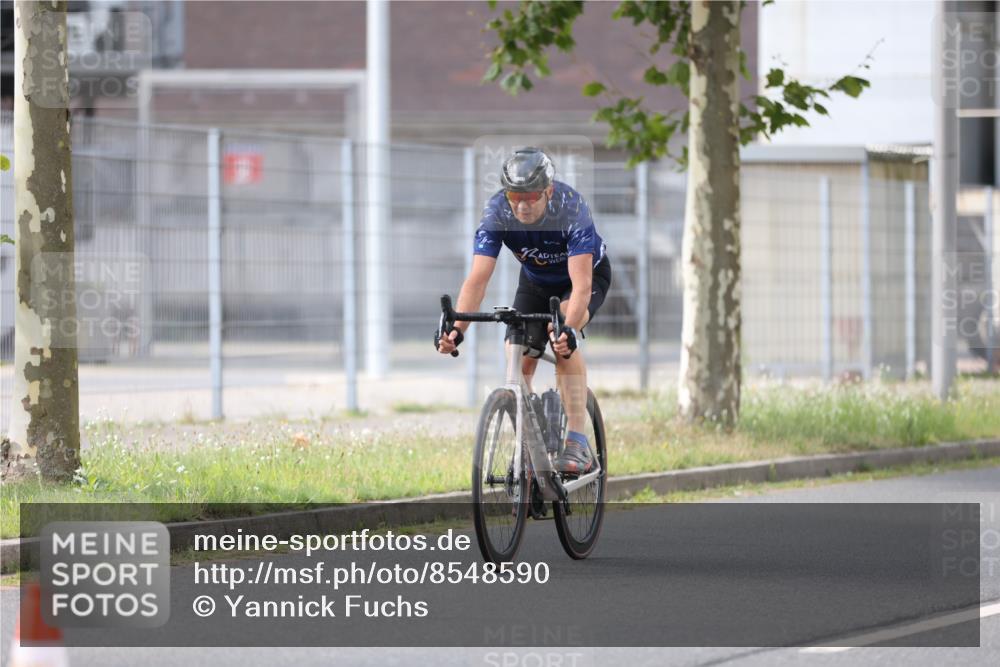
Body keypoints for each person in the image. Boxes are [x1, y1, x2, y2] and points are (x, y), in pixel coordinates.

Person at [436, 147, 612, 474]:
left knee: (560, 337)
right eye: (514, 195)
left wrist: (567, 330)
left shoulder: (572, 209)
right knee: (517, 354)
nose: (521, 204)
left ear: (548, 191)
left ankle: (577, 440)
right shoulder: (497, 212)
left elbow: (582, 285)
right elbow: (477, 279)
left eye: (530, 196)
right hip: (535, 283)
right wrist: (457, 329)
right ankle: (533, 444)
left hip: (583, 280)